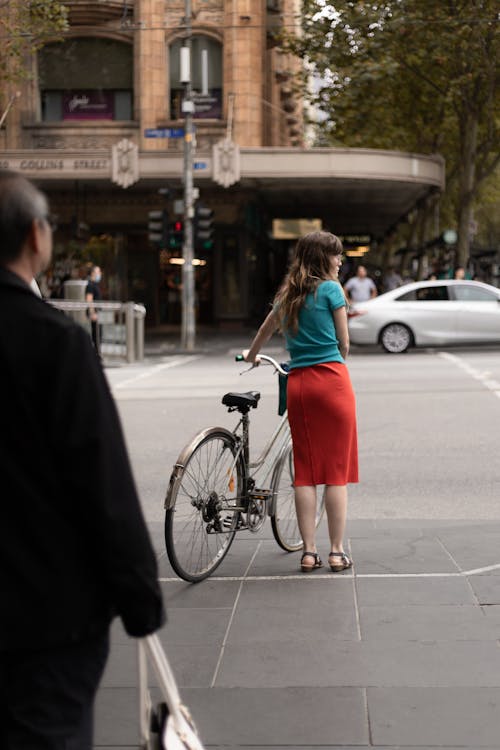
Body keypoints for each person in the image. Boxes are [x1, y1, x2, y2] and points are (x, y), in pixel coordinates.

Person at [0, 170, 165, 749]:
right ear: (36, 237)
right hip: (42, 618)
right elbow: (102, 483)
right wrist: (139, 595)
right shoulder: (54, 342)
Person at [243, 231, 358, 573]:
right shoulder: (332, 290)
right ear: (324, 258)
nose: (340, 261)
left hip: (300, 385)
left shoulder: (289, 294)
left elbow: (264, 331)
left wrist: (251, 356)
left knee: (305, 472)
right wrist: (335, 359)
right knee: (335, 473)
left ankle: (309, 552)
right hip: (333, 382)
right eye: (336, 255)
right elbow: (345, 342)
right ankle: (336, 552)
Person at [86, 263, 102, 352]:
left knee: (99, 335)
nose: (100, 274)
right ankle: (96, 354)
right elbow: (89, 300)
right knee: (96, 336)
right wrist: (92, 313)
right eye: (98, 272)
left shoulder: (95, 284)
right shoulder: (90, 285)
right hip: (95, 315)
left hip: (98, 314)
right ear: (92, 273)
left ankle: (97, 353)